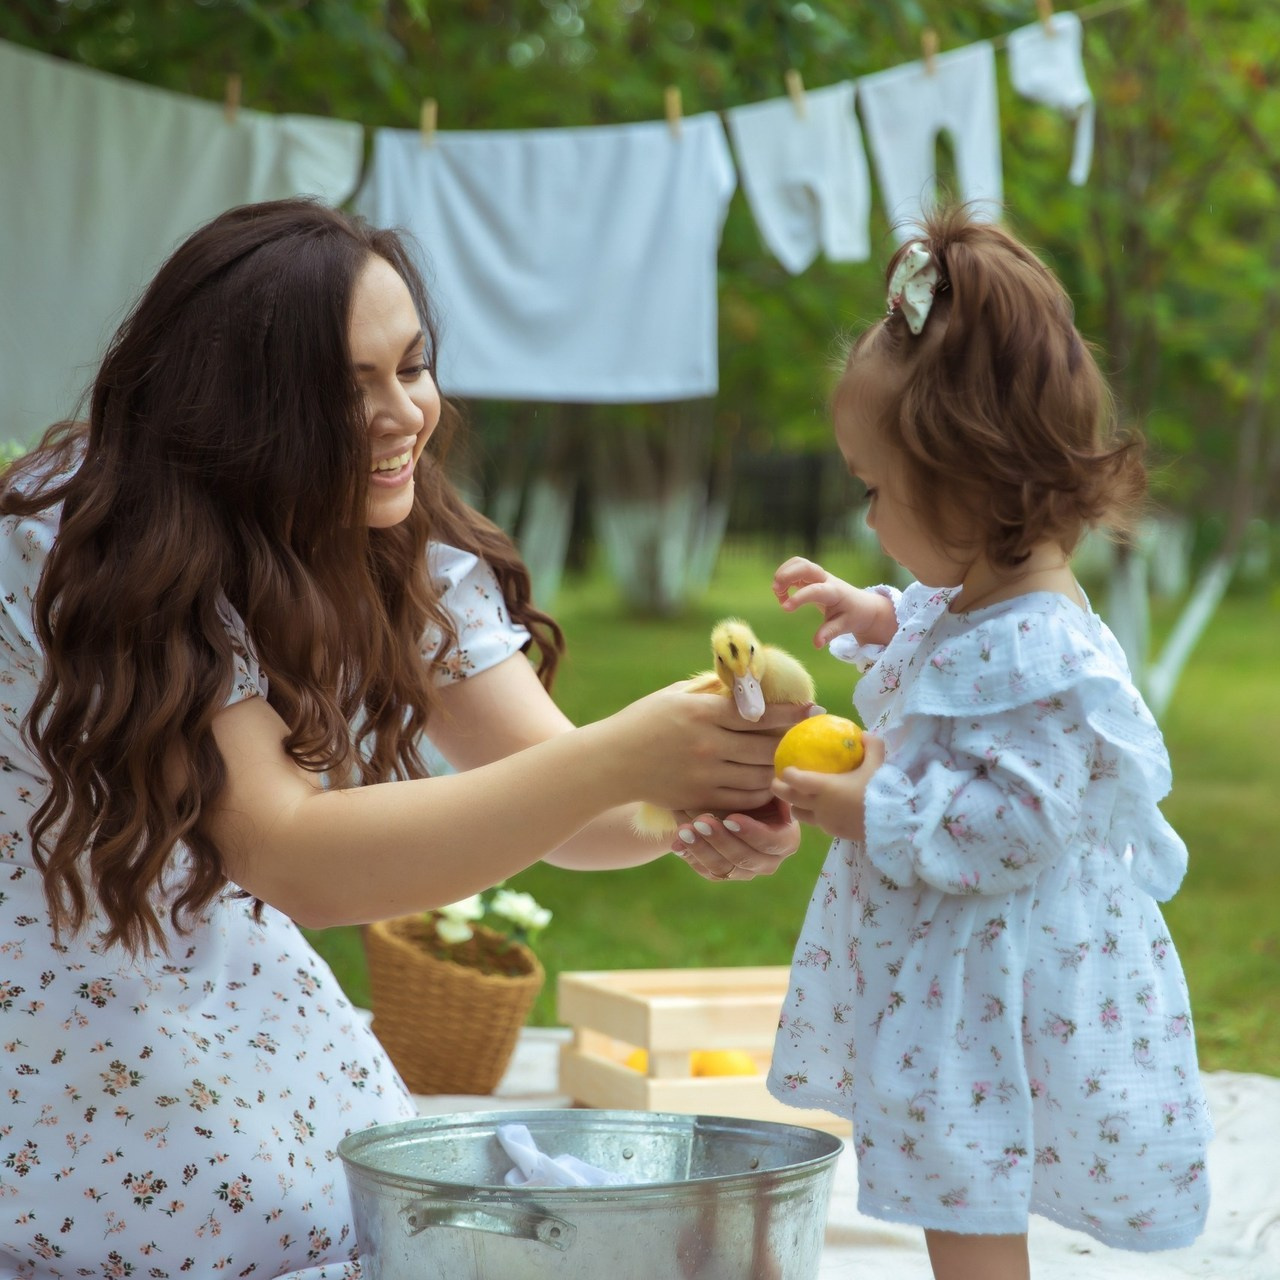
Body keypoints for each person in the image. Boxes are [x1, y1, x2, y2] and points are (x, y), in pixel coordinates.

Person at [0, 198, 804, 1277]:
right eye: (346, 390)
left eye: (412, 367)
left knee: (402, 1209)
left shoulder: (388, 540)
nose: (402, 415)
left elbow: (574, 802)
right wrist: (624, 754)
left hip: (215, 971)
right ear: (235, 407)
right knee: (303, 1230)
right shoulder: (80, 547)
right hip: (45, 1022)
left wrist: (697, 794)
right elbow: (290, 856)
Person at [765, 206, 1211, 1280]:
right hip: (958, 963)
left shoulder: (1047, 648)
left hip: (993, 979)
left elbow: (1020, 822)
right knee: (948, 1171)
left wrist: (873, 806)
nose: (868, 517)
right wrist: (877, 612)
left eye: (875, 490)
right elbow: (949, 639)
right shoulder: (988, 596)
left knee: (964, 1177)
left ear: (970, 486)